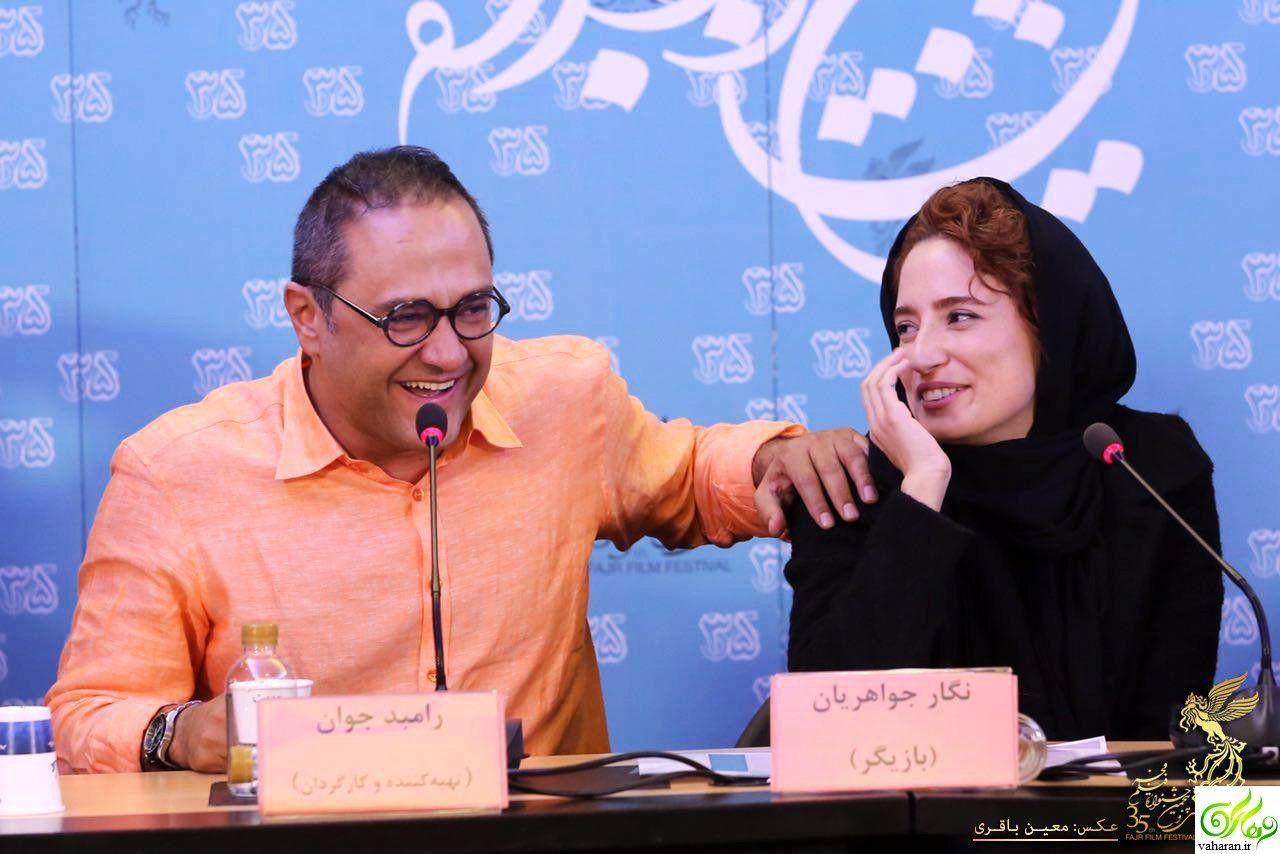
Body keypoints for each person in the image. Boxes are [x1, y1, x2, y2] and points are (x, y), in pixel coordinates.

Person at [47, 146, 875, 773]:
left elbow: (688, 474)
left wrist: (775, 457)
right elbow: (93, 712)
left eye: (474, 309)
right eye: (405, 317)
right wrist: (181, 732)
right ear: (307, 317)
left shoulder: (564, 399)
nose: (448, 354)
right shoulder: (176, 474)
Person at [784, 177, 1224, 740]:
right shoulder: (849, 484)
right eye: (906, 327)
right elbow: (830, 732)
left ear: (1048, 326)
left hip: (1116, 801)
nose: (922, 355)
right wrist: (921, 490)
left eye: (959, 316)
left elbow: (1169, 736)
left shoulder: (1151, 469)